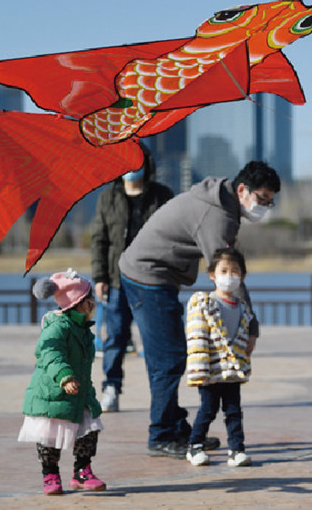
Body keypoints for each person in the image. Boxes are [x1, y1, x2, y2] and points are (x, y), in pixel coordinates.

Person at [119, 160, 279, 459]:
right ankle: (162, 435)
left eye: (270, 202)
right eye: (262, 199)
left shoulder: (221, 199)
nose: (265, 207)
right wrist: (250, 324)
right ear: (243, 190)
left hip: (153, 276)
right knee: (168, 359)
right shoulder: (218, 216)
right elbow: (227, 275)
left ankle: (177, 427)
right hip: (148, 276)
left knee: (173, 353)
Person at [90, 143, 174, 413]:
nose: (132, 167)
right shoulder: (108, 198)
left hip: (152, 280)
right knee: (114, 337)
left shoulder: (162, 196)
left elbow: (174, 236)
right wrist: (99, 276)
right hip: (117, 280)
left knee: (154, 339)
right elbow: (99, 239)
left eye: (137, 161)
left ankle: (159, 392)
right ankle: (111, 387)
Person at [18, 269, 107, 496]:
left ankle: (82, 471)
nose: (93, 305)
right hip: (53, 392)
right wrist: (65, 376)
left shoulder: (83, 329)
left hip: (79, 391)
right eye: (90, 301)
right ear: (78, 303)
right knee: (50, 435)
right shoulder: (57, 326)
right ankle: (50, 474)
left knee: (89, 429)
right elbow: (50, 354)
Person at [185, 247, 254, 467]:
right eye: (224, 270)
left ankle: (236, 449)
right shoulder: (204, 304)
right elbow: (197, 338)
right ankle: (195, 445)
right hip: (210, 370)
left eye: (235, 271)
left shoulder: (243, 309)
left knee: (234, 411)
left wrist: (243, 364)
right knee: (208, 409)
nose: (229, 276)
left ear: (242, 276)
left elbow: (242, 342)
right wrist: (200, 371)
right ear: (213, 274)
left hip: (232, 371)